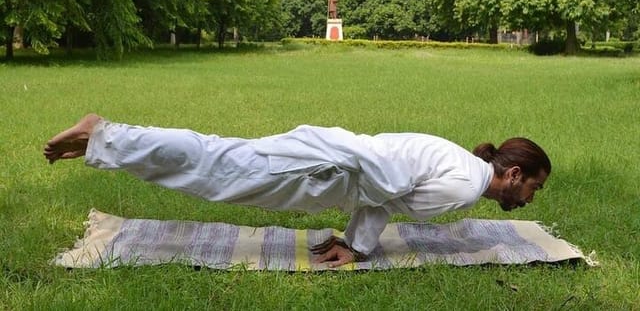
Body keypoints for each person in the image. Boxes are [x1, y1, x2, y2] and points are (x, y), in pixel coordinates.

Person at [44, 114, 551, 268]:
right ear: (512, 175)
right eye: (533, 187)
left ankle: (104, 143)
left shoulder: (462, 162)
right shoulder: (465, 186)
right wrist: (356, 243)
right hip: (322, 168)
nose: (529, 199)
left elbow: (385, 198)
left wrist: (353, 244)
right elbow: (384, 195)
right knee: (215, 164)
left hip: (325, 160)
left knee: (217, 161)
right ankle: (104, 135)